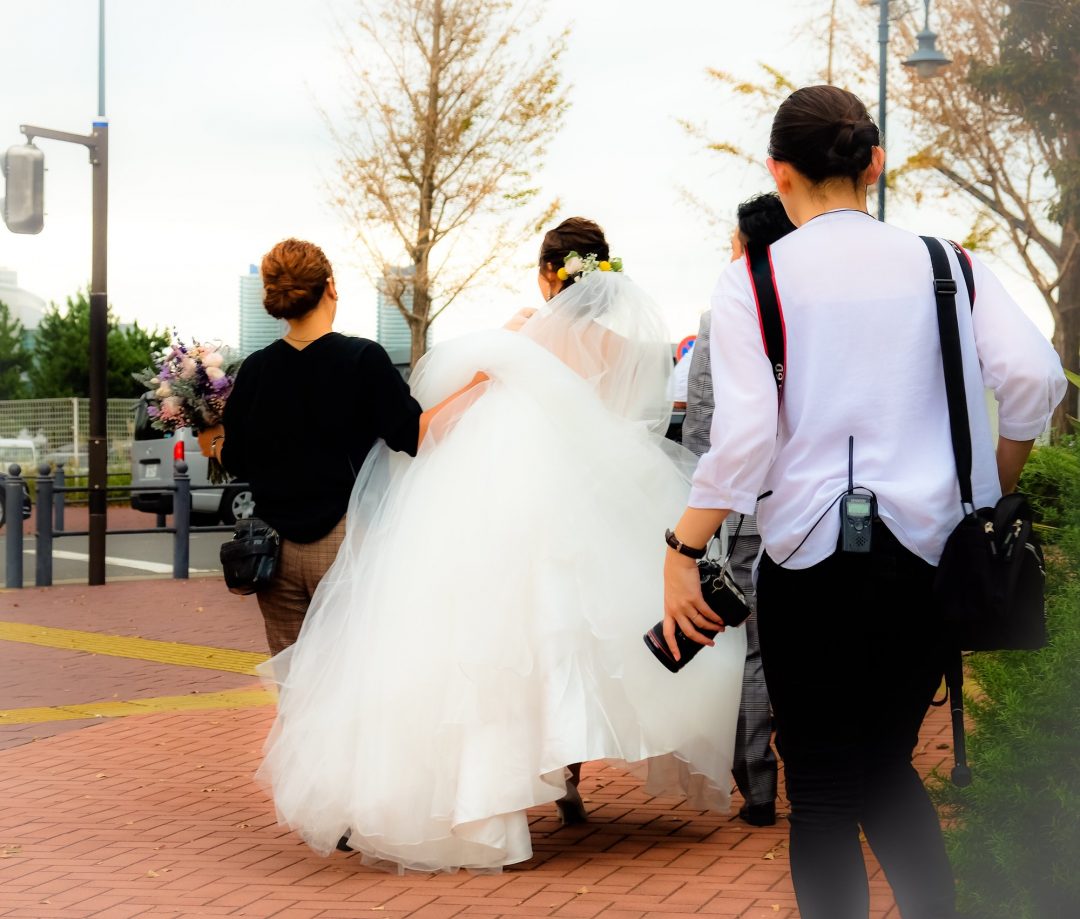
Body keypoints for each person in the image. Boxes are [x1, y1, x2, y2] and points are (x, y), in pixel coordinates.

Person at [663, 86, 1066, 919]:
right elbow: (1034, 378)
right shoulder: (947, 263)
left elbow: (742, 442)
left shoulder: (755, 278)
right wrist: (994, 480)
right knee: (884, 764)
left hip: (809, 560)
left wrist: (681, 548)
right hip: (928, 557)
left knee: (817, 783)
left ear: (779, 174)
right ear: (873, 162)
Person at [256, 217, 747, 872]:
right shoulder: (624, 347)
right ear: (602, 273)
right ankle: (568, 778)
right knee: (571, 647)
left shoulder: (520, 335)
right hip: (593, 512)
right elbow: (634, 424)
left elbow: (440, 422)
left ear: (549, 274)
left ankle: (498, 801)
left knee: (502, 654)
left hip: (508, 509)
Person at [197, 239, 423, 655]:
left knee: (294, 681)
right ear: (330, 286)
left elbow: (240, 460)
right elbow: (411, 434)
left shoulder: (256, 369)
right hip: (343, 540)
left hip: (271, 550)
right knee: (348, 675)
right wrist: (475, 387)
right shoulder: (363, 359)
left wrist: (212, 445)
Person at [682, 192, 795, 828]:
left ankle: (757, 786)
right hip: (816, 509)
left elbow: (701, 427)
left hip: (745, 510)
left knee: (752, 652)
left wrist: (706, 518)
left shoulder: (720, 316)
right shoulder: (813, 310)